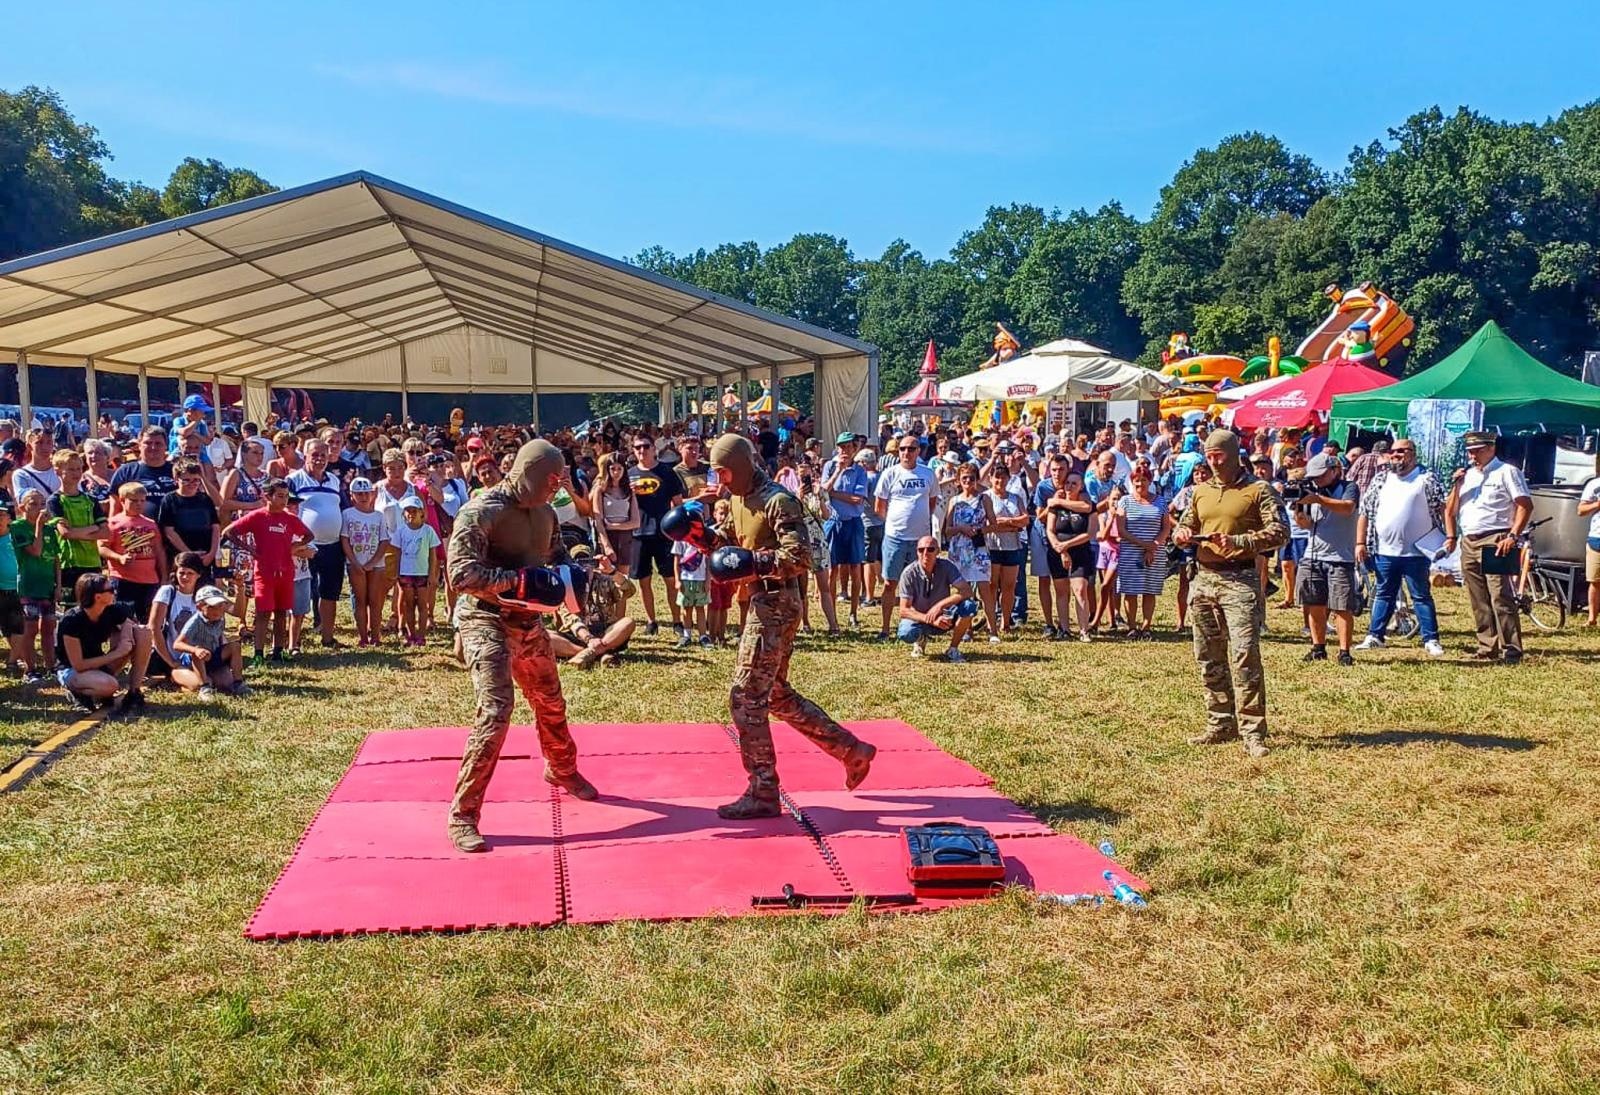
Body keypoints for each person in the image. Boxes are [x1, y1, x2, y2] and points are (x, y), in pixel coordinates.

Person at [678, 433, 875, 819]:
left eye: (721, 472)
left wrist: (754, 563)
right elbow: (731, 547)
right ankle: (850, 750)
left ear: (735, 468)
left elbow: (799, 556)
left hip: (778, 600)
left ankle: (763, 789)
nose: (718, 480)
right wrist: (699, 537)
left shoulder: (777, 500)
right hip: (759, 599)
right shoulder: (738, 499)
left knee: (746, 696)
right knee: (776, 694)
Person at [447, 439, 598, 853]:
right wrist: (514, 581)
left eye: (559, 481)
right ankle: (464, 813)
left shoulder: (547, 514)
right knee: (496, 710)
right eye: (550, 480)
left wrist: (574, 576)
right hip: (484, 617)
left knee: (550, 699)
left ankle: (562, 768)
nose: (556, 488)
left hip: (527, 620)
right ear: (529, 473)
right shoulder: (482, 511)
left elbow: (556, 558)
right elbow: (460, 574)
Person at [1172, 429, 1287, 758]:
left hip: (1240, 580)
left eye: (1219, 454)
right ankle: (1220, 721)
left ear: (1235, 453)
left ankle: (1252, 730)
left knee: (1244, 655)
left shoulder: (1258, 489)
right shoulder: (1200, 491)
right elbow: (1188, 521)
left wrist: (1239, 542)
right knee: (1208, 655)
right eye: (1209, 454)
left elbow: (1280, 532)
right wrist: (1183, 534)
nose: (1213, 459)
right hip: (1204, 579)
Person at [1445, 430, 1531, 664]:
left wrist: (1513, 536)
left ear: (1491, 448)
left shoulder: (1507, 472)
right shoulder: (1468, 476)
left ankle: (1511, 649)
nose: (1472, 456)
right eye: (1470, 452)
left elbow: (1524, 505)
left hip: (1496, 538)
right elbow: (1450, 510)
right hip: (1469, 540)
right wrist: (1457, 484)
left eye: (1477, 451)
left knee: (1500, 596)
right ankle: (1487, 645)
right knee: (1478, 597)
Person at [1354, 438, 1446, 657]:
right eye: (1393, 451)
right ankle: (1375, 636)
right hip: (1384, 550)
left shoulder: (1427, 478)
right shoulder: (1381, 479)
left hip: (1417, 552)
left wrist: (1450, 536)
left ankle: (1431, 639)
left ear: (1412, 453)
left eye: (1401, 451)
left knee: (1421, 596)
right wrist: (1359, 543)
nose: (1395, 455)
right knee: (1383, 594)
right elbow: (1364, 513)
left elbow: (1443, 508)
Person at [221, 478, 312, 664]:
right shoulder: (258, 516)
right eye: (279, 496)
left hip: (286, 571)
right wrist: (251, 550)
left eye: (286, 496)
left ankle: (278, 650)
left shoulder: (290, 519)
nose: (284, 500)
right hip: (264, 572)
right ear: (267, 496)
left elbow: (309, 535)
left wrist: (297, 545)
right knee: (263, 612)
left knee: (281, 612)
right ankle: (258, 654)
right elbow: (229, 532)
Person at [1292, 453, 1361, 665]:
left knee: (1342, 606)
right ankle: (1318, 647)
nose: (1317, 481)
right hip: (1313, 555)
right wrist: (1299, 511)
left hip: (1340, 556)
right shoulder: (1311, 492)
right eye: (1314, 477)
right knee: (1314, 604)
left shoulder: (1349, 487)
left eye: (1321, 476)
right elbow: (1306, 524)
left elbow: (1348, 508)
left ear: (1334, 470)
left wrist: (1318, 499)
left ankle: (1344, 651)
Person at [56, 572, 153, 714]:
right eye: (110, 590)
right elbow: (79, 665)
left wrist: (126, 638)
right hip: (73, 670)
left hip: (98, 665)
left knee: (143, 632)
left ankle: (134, 692)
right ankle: (77, 692)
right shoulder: (71, 620)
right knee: (110, 686)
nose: (114, 592)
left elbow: (128, 621)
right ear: (98, 596)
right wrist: (117, 653)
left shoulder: (109, 610)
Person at [873, 434, 936, 640]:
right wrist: (895, 522)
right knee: (890, 583)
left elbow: (932, 502)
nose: (906, 453)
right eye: (902, 449)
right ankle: (884, 628)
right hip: (895, 537)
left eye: (911, 449)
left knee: (920, 584)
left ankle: (919, 627)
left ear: (918, 451)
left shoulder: (928, 474)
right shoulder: (889, 474)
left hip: (921, 541)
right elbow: (879, 507)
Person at [287, 439, 348, 648]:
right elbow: (287, 512)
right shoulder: (293, 480)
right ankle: (293, 642)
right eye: (315, 454)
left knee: (330, 592)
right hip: (304, 547)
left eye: (323, 454)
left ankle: (328, 637)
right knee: (300, 592)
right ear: (305, 455)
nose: (320, 458)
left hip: (332, 545)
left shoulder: (334, 480)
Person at [626, 437, 686, 637]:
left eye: (645, 446)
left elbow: (678, 503)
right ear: (633, 451)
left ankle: (677, 621)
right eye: (637, 447)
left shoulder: (667, 472)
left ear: (654, 449)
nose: (641, 450)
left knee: (670, 579)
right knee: (644, 581)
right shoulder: (629, 475)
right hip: (638, 534)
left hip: (664, 533)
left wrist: (681, 532)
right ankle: (651, 621)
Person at [1115, 458, 1174, 638]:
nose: (1140, 483)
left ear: (1149, 481)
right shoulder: (1125, 501)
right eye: (1136, 480)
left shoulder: (1160, 502)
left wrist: (1153, 546)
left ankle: (1146, 626)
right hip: (1130, 551)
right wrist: (1143, 545)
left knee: (1150, 589)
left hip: (1155, 552)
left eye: (1144, 480)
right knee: (1130, 590)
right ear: (1132, 482)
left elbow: (1166, 527)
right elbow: (1121, 530)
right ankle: (1132, 626)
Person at [551, 545, 636, 669]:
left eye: (588, 561)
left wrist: (612, 571)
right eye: (579, 562)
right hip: (576, 635)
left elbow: (629, 591)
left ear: (594, 562)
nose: (585, 566)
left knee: (628, 622)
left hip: (606, 633)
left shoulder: (605, 579)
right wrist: (589, 638)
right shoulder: (567, 584)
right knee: (544, 636)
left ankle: (587, 654)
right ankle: (600, 653)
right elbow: (570, 619)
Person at [896, 535, 979, 661]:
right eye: (921, 550)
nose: (925, 553)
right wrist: (930, 619)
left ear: (938, 551)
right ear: (916, 552)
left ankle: (953, 649)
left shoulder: (947, 566)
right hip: (921, 619)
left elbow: (967, 591)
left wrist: (939, 606)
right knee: (905, 632)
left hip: (945, 617)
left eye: (930, 549)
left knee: (969, 606)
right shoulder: (908, 573)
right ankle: (920, 640)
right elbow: (903, 610)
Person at [1042, 462, 1096, 641]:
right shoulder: (1055, 506)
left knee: (1080, 590)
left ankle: (1084, 630)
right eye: (1068, 483)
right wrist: (1059, 547)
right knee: (1061, 591)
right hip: (1056, 553)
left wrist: (1067, 545)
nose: (1070, 486)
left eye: (1074, 483)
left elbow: (1090, 533)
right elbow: (1050, 529)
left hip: (1080, 553)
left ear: (1081, 486)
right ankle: (1064, 629)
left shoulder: (1088, 506)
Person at [821, 432, 870, 627]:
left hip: (853, 522)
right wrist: (837, 472)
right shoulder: (829, 466)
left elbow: (858, 499)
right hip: (833, 522)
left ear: (854, 448)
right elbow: (824, 490)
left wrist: (834, 494)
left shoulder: (860, 471)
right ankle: (831, 614)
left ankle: (853, 613)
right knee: (832, 569)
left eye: (849, 447)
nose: (845, 450)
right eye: (842, 447)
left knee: (855, 567)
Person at [169, 584, 250, 700]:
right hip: (194, 661)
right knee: (201, 678)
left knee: (234, 648)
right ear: (199, 607)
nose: (217, 610)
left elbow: (237, 612)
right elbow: (177, 644)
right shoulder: (195, 622)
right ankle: (203, 687)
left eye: (220, 605)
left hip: (212, 656)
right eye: (212, 606)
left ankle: (238, 683)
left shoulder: (220, 619)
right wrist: (195, 650)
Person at [47, 448, 106, 604]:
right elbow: (65, 533)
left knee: (94, 607)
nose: (76, 473)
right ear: (58, 471)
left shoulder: (91, 500)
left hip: (93, 562)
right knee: (71, 609)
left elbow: (105, 533)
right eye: (71, 469)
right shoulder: (55, 500)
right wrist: (92, 528)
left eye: (79, 469)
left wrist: (78, 532)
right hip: (69, 563)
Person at [942, 464, 995, 637]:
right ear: (958, 480)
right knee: (964, 591)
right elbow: (947, 530)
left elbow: (993, 524)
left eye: (971, 478)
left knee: (984, 589)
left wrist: (979, 530)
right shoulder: (954, 501)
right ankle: (967, 628)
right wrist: (961, 528)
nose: (967, 481)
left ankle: (992, 630)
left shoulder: (984, 499)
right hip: (959, 550)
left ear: (976, 479)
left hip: (978, 549)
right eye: (964, 478)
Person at [102, 483, 166, 619]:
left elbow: (158, 550)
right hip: (123, 578)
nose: (139, 504)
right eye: (134, 500)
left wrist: (163, 575)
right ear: (122, 500)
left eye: (142, 501)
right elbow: (102, 548)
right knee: (122, 619)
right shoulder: (113, 523)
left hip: (149, 579)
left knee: (147, 619)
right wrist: (119, 557)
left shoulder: (150, 524)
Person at [341, 477, 391, 647]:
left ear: (372, 494)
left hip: (376, 564)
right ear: (352, 495)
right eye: (359, 493)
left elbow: (384, 540)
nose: (363, 497)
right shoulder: (347, 514)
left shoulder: (379, 516)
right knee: (360, 599)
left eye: (366, 493)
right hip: (355, 563)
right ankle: (363, 636)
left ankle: (376, 636)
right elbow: (345, 539)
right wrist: (354, 562)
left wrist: (373, 562)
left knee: (375, 600)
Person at [156, 458, 222, 579]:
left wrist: (212, 553)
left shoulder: (205, 499)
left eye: (196, 480)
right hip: (181, 557)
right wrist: (189, 554)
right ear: (176, 479)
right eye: (187, 480)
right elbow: (169, 531)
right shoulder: (170, 500)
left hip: (205, 557)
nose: (192, 484)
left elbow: (216, 527)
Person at [148, 550, 206, 683]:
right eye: (181, 573)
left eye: (190, 573)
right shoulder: (167, 592)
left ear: (199, 575)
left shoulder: (202, 595)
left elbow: (235, 610)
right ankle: (174, 675)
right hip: (172, 657)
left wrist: (240, 588)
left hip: (197, 656)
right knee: (198, 684)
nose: (185, 577)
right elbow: (153, 628)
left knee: (223, 682)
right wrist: (171, 662)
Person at [391, 497, 441, 646]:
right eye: (408, 511)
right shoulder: (400, 531)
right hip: (406, 574)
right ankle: (411, 634)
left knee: (422, 605)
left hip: (423, 574)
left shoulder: (428, 531)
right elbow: (397, 553)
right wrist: (396, 572)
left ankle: (421, 636)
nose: (411, 514)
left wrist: (432, 574)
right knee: (408, 604)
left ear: (421, 512)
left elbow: (433, 555)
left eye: (414, 511)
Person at [108, 427, 178, 519]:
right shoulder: (125, 472)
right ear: (139, 445)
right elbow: (115, 508)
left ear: (166, 446)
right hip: (137, 531)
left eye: (158, 443)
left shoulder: (177, 471)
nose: (153, 447)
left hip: (173, 531)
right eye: (148, 443)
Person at [1580, 472, 1600, 627]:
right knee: (1595, 581)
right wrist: (1598, 504)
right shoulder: (1594, 485)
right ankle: (1592, 619)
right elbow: (1580, 510)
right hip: (1597, 537)